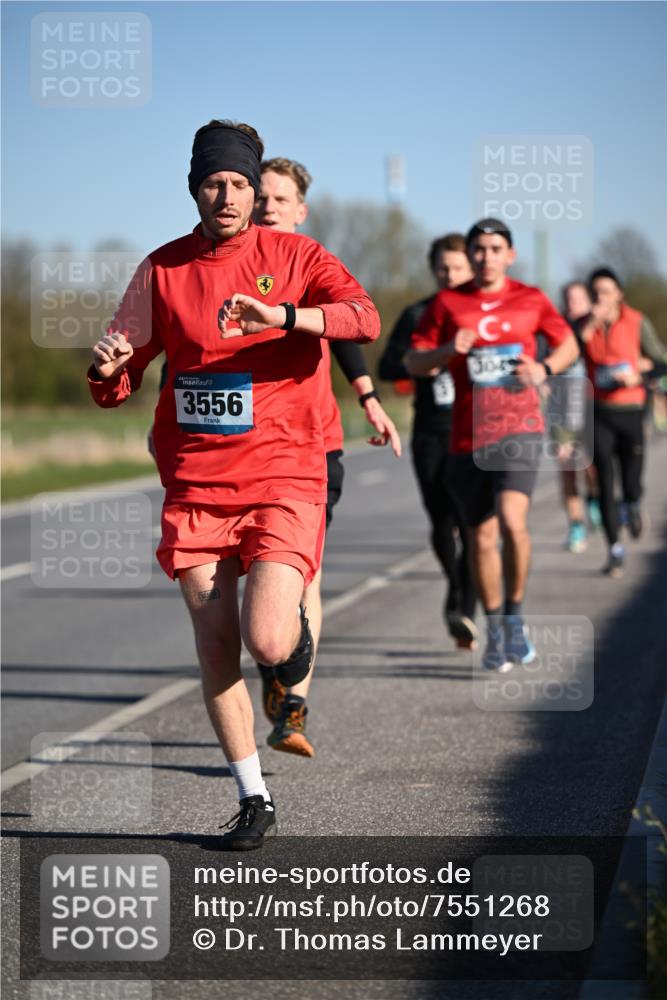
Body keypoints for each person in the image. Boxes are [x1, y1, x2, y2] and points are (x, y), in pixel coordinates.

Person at [88, 120, 380, 849]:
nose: (226, 195)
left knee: (267, 637)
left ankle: (293, 648)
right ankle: (253, 798)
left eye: (240, 184)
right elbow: (121, 375)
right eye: (213, 182)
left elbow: (362, 317)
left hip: (283, 473)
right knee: (215, 645)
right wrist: (105, 370)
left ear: (256, 192)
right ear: (194, 187)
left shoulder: (297, 253)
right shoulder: (163, 268)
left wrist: (282, 316)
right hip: (195, 484)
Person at [252, 157, 401, 757]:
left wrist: (370, 399)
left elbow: (344, 331)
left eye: (279, 199)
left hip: (309, 444)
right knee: (255, 592)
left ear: (300, 209)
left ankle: (293, 709)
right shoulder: (219, 263)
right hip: (236, 454)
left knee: (303, 570)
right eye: (259, 196)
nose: (267, 207)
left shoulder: (310, 263)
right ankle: (273, 662)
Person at [405, 218, 578, 673]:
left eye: (495, 248)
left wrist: (543, 368)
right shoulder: (446, 303)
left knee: (512, 521)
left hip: (519, 427)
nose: (485, 257)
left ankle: (516, 617)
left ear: (509, 255)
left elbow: (569, 344)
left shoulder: (531, 299)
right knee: (480, 537)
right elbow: (412, 360)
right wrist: (446, 351)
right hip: (466, 436)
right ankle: (498, 627)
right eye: (478, 249)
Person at [378, 233, 478, 648]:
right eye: (443, 267)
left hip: (476, 432)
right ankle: (456, 586)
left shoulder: (485, 313)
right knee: (441, 523)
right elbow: (387, 367)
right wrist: (423, 364)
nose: (450, 275)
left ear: (472, 268)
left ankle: (462, 609)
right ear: (432, 269)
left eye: (458, 267)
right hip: (432, 434)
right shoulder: (417, 313)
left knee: (473, 526)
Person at [577, 267, 667, 577]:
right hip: (598, 412)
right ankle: (614, 549)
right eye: (595, 292)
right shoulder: (583, 325)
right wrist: (588, 326)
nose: (601, 297)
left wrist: (637, 375)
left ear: (619, 294)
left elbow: (661, 362)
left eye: (606, 291)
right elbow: (566, 354)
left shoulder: (637, 321)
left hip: (630, 412)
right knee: (604, 483)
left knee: (630, 482)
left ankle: (634, 503)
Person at [549, 281, 598, 553]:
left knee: (591, 467)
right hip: (561, 406)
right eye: (568, 299)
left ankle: (594, 498)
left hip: (591, 406)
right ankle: (576, 526)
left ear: (589, 302)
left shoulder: (598, 329)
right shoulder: (554, 329)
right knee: (567, 468)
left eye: (578, 299)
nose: (572, 304)